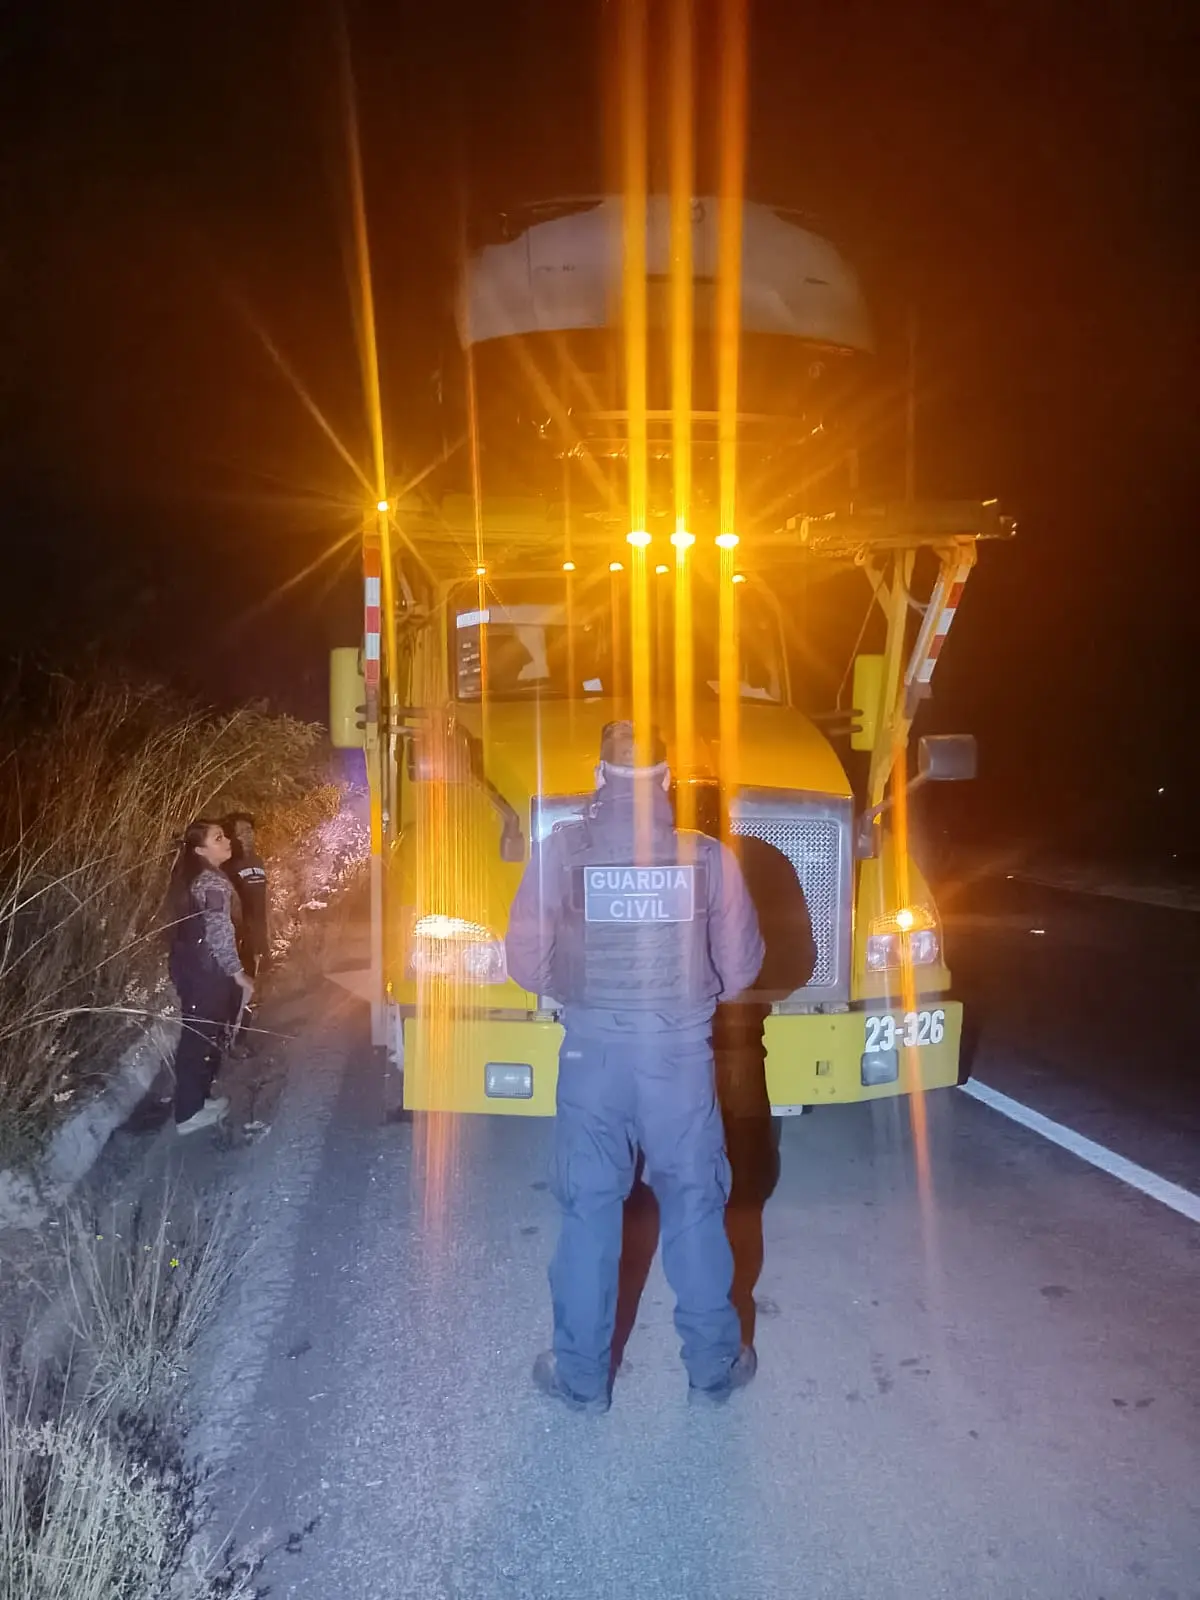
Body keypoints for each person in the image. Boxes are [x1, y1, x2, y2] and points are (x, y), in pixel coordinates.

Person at [506, 720, 765, 1412]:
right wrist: (681, 1003)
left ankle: (581, 1380)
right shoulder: (707, 858)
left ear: (599, 777)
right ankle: (712, 1370)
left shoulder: (560, 852)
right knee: (695, 1203)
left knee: (589, 1209)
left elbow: (524, 964)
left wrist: (586, 998)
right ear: (667, 781)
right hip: (680, 1058)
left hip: (592, 1057)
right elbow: (741, 969)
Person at [165, 819, 254, 1134]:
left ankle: (197, 1101)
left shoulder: (196, 877)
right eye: (218, 838)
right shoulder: (211, 882)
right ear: (201, 850)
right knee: (197, 1038)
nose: (227, 840)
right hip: (205, 972)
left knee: (201, 1035)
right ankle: (188, 1114)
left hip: (194, 968)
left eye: (224, 836)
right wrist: (237, 973)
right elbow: (219, 931)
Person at [222, 812, 270, 1056]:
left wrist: (264, 939)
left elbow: (261, 904)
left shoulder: (258, 862)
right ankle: (233, 1042)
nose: (247, 836)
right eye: (241, 832)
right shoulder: (227, 867)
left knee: (252, 992)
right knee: (241, 992)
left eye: (249, 831)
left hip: (257, 937)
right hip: (239, 939)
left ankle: (240, 1036)